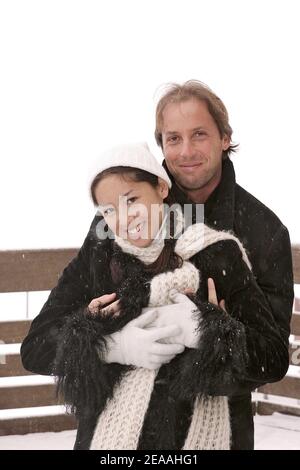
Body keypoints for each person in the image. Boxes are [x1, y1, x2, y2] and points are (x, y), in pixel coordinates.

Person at [21, 139, 291, 450]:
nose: (123, 219)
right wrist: (110, 347)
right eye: (108, 209)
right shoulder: (100, 256)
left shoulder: (216, 253)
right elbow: (35, 349)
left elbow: (272, 358)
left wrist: (210, 332)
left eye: (131, 199)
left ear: (162, 189)